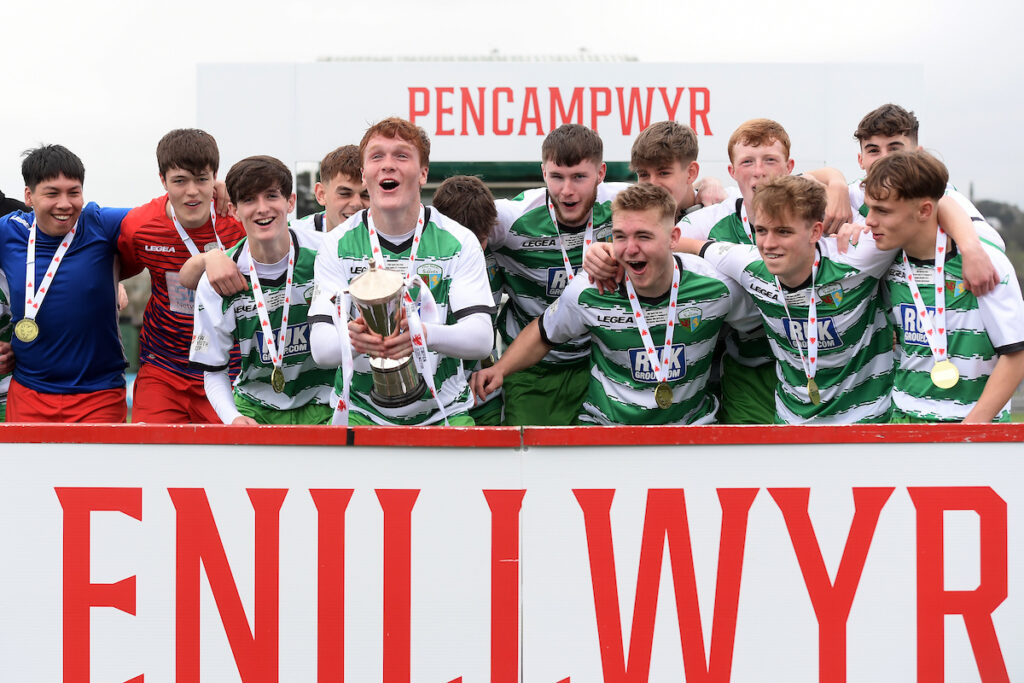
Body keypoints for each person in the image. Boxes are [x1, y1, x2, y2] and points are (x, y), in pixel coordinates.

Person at [472, 183, 757, 424]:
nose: (630, 248)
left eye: (644, 236)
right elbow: (544, 332)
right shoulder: (591, 287)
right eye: (620, 236)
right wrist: (499, 370)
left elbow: (762, 324)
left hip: (691, 430)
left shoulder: (717, 286)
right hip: (606, 433)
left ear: (673, 239)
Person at [310, 117, 494, 426]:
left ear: (423, 174)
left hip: (444, 413)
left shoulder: (459, 241)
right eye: (377, 156)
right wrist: (354, 341)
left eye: (401, 155)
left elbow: (481, 338)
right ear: (365, 174)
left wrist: (422, 336)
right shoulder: (335, 245)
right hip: (362, 414)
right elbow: (321, 349)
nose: (388, 165)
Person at [676, 175, 896, 423]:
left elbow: (924, 213)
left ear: (815, 231)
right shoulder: (749, 264)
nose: (769, 244)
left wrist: (838, 185)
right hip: (791, 424)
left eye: (783, 232)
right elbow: (688, 244)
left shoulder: (858, 255)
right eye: (761, 230)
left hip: (866, 423)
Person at [864, 150, 1024, 422]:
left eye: (882, 211)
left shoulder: (983, 263)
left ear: (925, 210)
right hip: (903, 421)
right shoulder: (884, 260)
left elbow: (1017, 354)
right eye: (869, 208)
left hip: (973, 424)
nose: (869, 220)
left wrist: (971, 429)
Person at [489, 123, 631, 425]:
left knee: (597, 462)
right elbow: (453, 217)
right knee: (531, 463)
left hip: (600, 363)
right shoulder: (512, 218)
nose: (567, 190)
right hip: (531, 369)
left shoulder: (624, 204)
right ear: (543, 173)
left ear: (601, 173)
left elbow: (680, 201)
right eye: (557, 177)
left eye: (579, 177)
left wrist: (710, 187)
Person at [189, 155, 335, 425]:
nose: (262, 208)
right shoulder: (217, 280)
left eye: (271, 196)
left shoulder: (327, 254)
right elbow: (213, 369)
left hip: (326, 402)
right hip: (255, 408)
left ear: (290, 202)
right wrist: (233, 418)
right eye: (248, 200)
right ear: (233, 210)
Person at [117, 129, 246, 423]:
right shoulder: (140, 226)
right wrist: (114, 283)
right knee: (152, 457)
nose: (192, 191)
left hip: (229, 367)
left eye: (202, 179)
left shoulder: (239, 220)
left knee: (231, 462)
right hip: (163, 367)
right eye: (179, 181)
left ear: (215, 177)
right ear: (163, 180)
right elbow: (110, 257)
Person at [0, 145, 130, 422]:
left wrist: (211, 192)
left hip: (99, 396)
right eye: (52, 193)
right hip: (27, 394)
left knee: (97, 468)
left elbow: (162, 218)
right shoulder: (9, 231)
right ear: (29, 196)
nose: (65, 203)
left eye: (74, 192)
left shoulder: (100, 223)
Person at [431, 174, 504, 425]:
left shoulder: (500, 253)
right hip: (435, 402)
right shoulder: (422, 262)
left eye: (481, 240)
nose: (473, 250)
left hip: (484, 395)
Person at [630, 120, 725, 222]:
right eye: (644, 175)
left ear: (691, 173)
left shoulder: (724, 218)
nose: (652, 184)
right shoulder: (624, 211)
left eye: (663, 173)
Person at [293, 144, 369, 233]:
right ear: (321, 194)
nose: (357, 204)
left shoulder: (388, 235)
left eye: (367, 195)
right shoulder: (294, 237)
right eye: (345, 194)